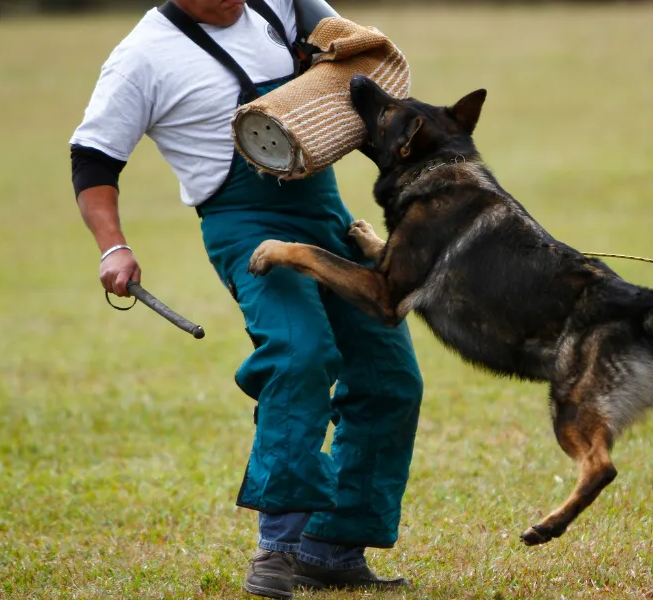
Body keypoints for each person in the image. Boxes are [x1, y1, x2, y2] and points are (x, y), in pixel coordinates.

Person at [68, 0, 424, 597]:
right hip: (244, 223)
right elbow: (93, 158)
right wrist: (113, 248)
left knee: (391, 376)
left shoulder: (278, 3)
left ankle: (332, 550)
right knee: (299, 354)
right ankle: (279, 548)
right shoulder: (141, 58)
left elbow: (354, 48)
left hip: (325, 210)